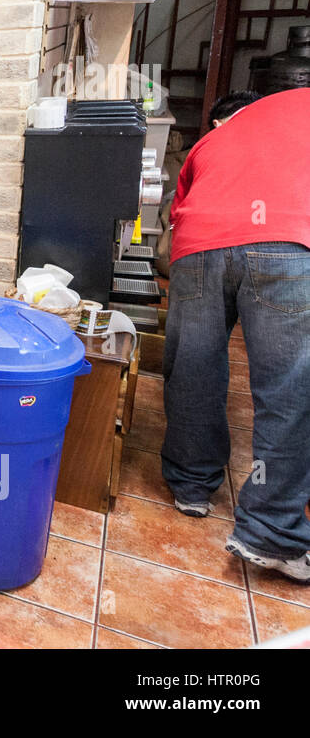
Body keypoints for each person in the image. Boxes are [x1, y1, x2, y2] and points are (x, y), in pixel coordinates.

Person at [162, 87, 310, 583]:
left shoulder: (216, 140)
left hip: (199, 242)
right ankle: (270, 531)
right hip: (288, 242)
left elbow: (176, 210)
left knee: (193, 368)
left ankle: (191, 485)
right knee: (287, 389)